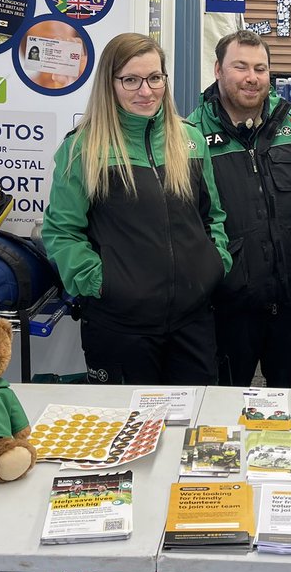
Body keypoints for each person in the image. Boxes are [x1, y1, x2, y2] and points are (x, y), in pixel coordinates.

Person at [42, 32, 230, 385]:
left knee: (192, 427)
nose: (146, 91)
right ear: (110, 83)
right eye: (131, 79)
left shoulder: (189, 140)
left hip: (193, 322)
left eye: (155, 78)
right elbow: (62, 232)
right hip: (120, 326)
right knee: (126, 429)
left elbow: (212, 216)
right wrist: (100, 282)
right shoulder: (84, 148)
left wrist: (215, 263)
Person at [188, 30, 291, 388]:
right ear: (218, 70)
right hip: (227, 301)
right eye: (240, 66)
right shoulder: (191, 136)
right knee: (221, 401)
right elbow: (187, 221)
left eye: (260, 68)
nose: (251, 77)